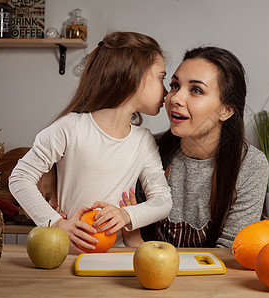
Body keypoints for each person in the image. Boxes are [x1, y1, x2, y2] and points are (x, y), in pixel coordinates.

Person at [9, 31, 172, 252]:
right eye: (161, 77)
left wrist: (126, 215)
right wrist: (56, 223)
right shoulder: (70, 127)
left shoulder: (143, 141)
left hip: (116, 256)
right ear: (131, 77)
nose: (166, 91)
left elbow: (163, 201)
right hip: (66, 255)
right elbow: (20, 178)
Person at [134, 46, 269, 248]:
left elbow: (231, 250)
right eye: (174, 85)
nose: (175, 99)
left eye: (196, 90)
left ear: (226, 110)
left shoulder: (250, 165)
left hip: (214, 278)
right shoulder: (146, 148)